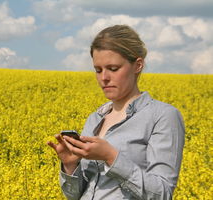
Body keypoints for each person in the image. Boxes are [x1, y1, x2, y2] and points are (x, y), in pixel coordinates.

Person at [47, 25, 185, 200]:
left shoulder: (162, 116)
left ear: (138, 65)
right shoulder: (95, 119)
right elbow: (75, 195)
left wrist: (111, 157)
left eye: (113, 69)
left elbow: (163, 193)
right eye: (98, 70)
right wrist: (70, 165)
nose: (104, 77)